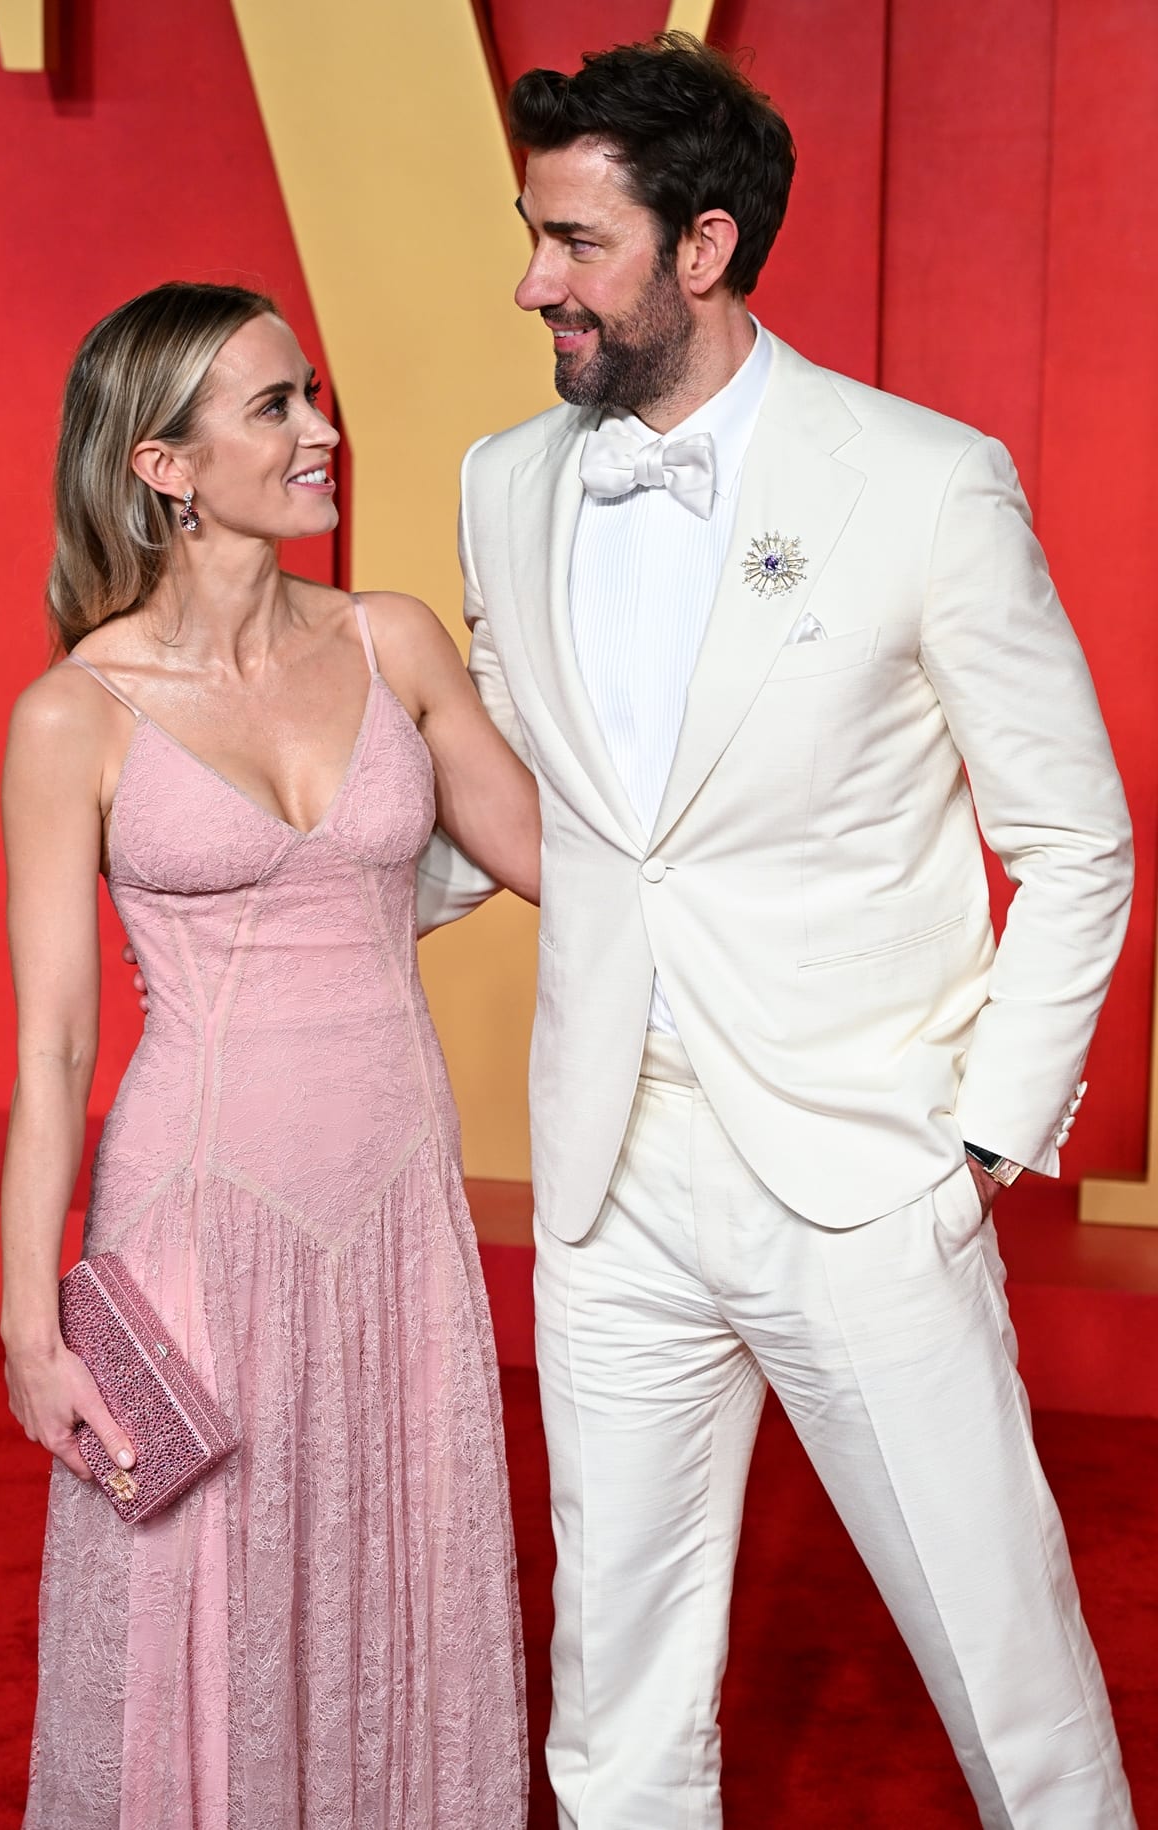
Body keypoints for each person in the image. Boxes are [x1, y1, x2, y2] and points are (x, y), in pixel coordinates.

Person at [415, 32, 1138, 1830]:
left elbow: (1081, 839)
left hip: (861, 1167)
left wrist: (975, 1140)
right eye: (533, 232)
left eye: (576, 242)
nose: (533, 280)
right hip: (609, 1168)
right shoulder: (508, 481)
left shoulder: (922, 481)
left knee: (1009, 1672)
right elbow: (527, 795)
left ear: (707, 247)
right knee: (619, 1682)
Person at [0, 280, 537, 1829]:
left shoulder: (394, 639)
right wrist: (30, 1328)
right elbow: (50, 1047)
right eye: (277, 407)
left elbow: (567, 861)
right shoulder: (71, 713)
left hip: (394, 1219)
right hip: (192, 1221)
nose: (327, 431)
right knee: (196, 1610)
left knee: (394, 1579)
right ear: (164, 466)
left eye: (314, 396)